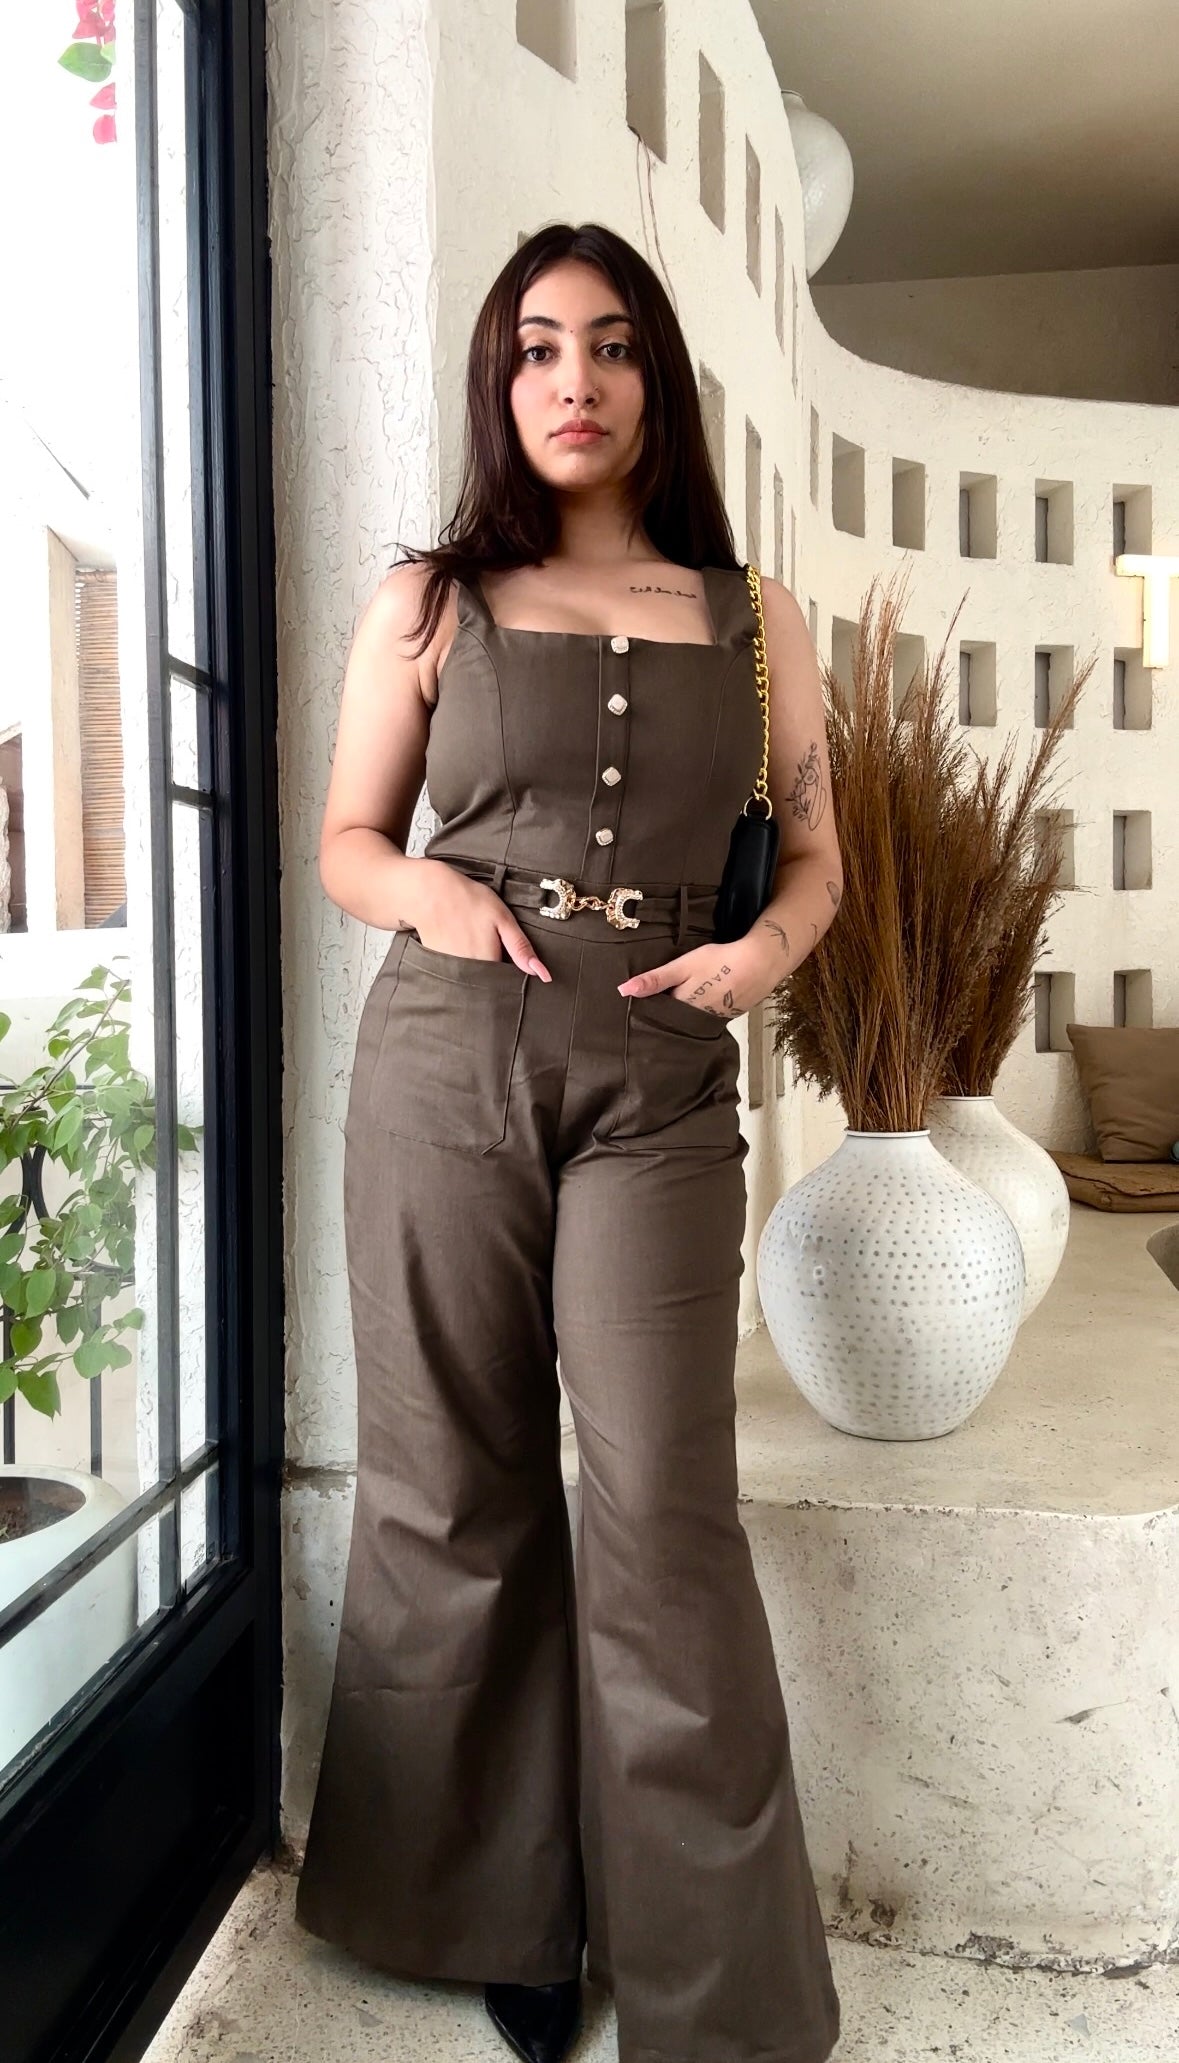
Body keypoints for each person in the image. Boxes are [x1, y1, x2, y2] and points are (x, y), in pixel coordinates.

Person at [294, 220, 845, 2063]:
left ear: (654, 377)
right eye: (536, 348)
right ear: (499, 380)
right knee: (450, 1484)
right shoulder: (428, 598)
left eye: (608, 345)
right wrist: (436, 901)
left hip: (664, 1086)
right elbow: (348, 841)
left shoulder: (757, 620)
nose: (574, 380)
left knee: (664, 1509)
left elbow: (819, 860)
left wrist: (762, 957)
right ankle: (491, 1912)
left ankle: (716, 1992)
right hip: (444, 1061)